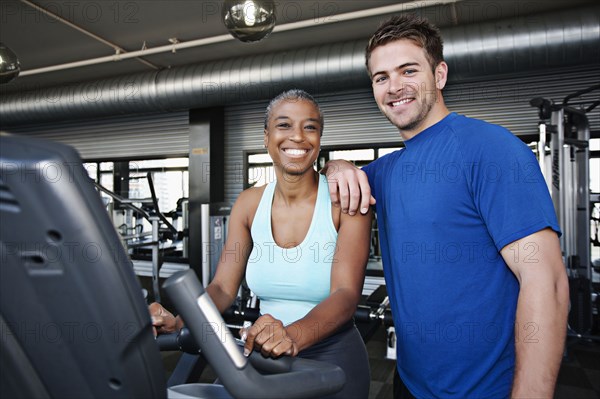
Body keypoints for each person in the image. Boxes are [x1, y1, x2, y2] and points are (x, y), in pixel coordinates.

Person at [323, 14, 569, 399]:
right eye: (381, 77)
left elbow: (547, 283)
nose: (394, 87)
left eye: (408, 70)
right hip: (410, 383)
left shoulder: (491, 149)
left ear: (439, 75)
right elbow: (323, 186)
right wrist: (334, 164)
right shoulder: (386, 172)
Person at [151, 89, 372, 398]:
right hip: (265, 352)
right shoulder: (249, 203)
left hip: (332, 359)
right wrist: (179, 321)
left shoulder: (344, 201)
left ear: (320, 139)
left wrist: (290, 335)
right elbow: (223, 288)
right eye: (284, 125)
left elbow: (346, 294)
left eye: (310, 127)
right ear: (266, 137)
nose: (297, 137)